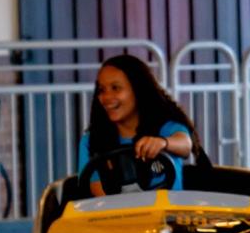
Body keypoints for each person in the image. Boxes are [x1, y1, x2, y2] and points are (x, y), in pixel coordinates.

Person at [77, 54, 195, 196]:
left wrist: (163, 143)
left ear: (138, 90)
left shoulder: (165, 129)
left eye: (116, 88)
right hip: (117, 216)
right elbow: (99, 196)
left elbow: (185, 144)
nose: (106, 98)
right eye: (102, 90)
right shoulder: (91, 141)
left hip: (167, 216)